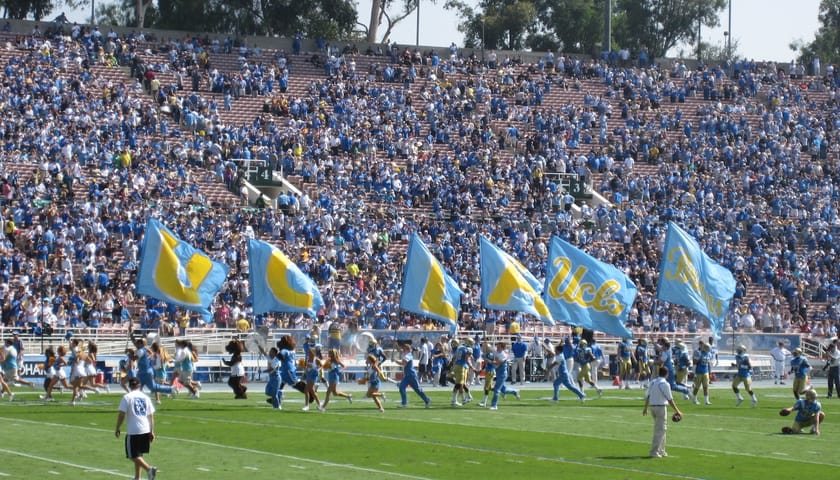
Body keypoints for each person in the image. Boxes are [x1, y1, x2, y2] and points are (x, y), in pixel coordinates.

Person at [115, 377, 158, 480]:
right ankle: (137, 477)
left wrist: (117, 427)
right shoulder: (146, 397)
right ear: (139, 386)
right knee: (139, 454)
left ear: (130, 386)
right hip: (145, 428)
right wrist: (152, 431)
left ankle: (149, 469)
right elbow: (151, 415)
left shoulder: (127, 397)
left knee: (132, 455)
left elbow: (121, 414)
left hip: (134, 430)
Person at [642, 366, 683, 458]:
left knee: (662, 429)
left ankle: (661, 450)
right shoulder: (665, 384)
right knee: (659, 430)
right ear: (667, 374)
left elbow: (648, 396)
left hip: (653, 407)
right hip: (661, 407)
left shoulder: (653, 382)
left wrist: (645, 408)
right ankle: (654, 451)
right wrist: (677, 411)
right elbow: (670, 399)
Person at [396, 342, 431, 408]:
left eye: (404, 349)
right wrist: (395, 345)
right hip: (407, 375)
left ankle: (427, 400)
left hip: (412, 375)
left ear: (407, 349)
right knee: (401, 387)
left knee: (417, 389)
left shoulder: (408, 355)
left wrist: (395, 361)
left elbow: (403, 363)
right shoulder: (405, 354)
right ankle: (404, 403)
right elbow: (400, 351)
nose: (403, 350)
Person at [489, 341, 520, 410]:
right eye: (497, 346)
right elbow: (489, 349)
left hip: (502, 374)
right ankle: (515, 391)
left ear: (502, 348)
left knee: (497, 389)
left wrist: (489, 361)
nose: (497, 347)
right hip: (498, 373)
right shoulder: (496, 351)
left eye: (499, 346)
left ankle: (494, 405)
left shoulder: (503, 355)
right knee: (503, 389)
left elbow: (497, 363)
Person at [450, 337, 475, 406]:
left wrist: (452, 367)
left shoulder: (460, 347)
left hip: (456, 366)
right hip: (462, 366)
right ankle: (461, 399)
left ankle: (455, 400)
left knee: (458, 384)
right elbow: (467, 359)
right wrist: (472, 367)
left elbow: (454, 358)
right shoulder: (468, 349)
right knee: (460, 384)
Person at [690, 341, 713, 405]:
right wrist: (693, 372)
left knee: (706, 386)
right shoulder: (699, 353)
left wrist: (710, 372)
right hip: (699, 372)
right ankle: (694, 399)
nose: (708, 349)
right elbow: (695, 363)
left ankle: (706, 401)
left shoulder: (709, 354)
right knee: (697, 387)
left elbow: (709, 363)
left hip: (705, 372)